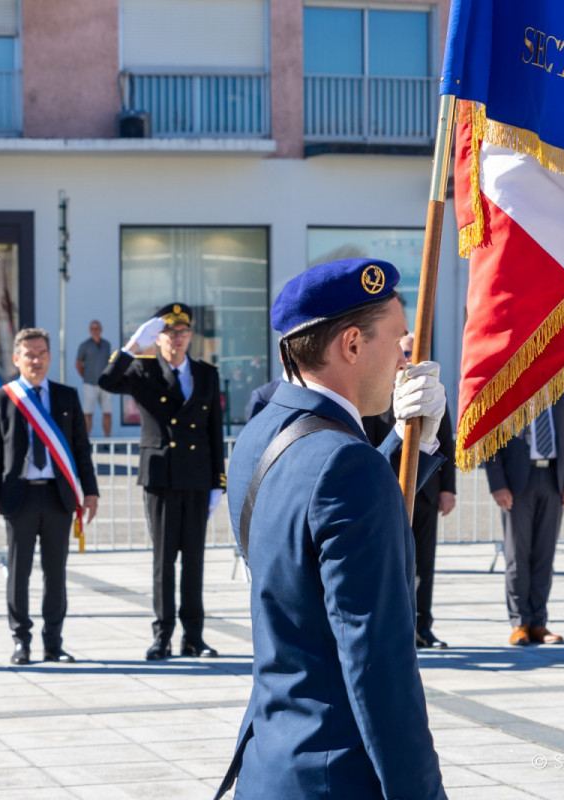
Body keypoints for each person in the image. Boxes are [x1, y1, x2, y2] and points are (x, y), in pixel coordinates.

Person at [215, 258, 448, 800]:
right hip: (336, 773)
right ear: (350, 345)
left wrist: (420, 444)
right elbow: (379, 669)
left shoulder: (259, 434)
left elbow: (324, 507)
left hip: (272, 759)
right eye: (396, 339)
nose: (405, 355)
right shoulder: (346, 464)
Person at [98, 303, 226, 661]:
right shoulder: (142, 369)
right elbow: (106, 381)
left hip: (198, 477)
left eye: (183, 332)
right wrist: (130, 348)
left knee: (195, 562)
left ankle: (194, 637)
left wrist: (219, 480)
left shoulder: (205, 373)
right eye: (170, 332)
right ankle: (163, 635)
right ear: (158, 338)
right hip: (163, 476)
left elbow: (214, 427)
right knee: (164, 561)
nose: (178, 338)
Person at [0, 328, 99, 666]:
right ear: (16, 359)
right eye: (29, 354)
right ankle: (21, 641)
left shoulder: (66, 396)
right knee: (19, 574)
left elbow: (80, 449)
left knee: (56, 573)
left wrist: (90, 491)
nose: (36, 359)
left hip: (58, 497)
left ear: (49, 356)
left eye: (42, 353)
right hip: (19, 498)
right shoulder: (3, 398)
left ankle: (54, 642)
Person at [362, 333, 457, 649]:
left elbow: (446, 441)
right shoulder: (377, 396)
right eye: (405, 351)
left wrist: (448, 490)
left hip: (427, 492)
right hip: (387, 493)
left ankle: (423, 626)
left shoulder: (430, 390)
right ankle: (397, 626)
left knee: (424, 564)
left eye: (416, 353)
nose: (409, 359)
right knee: (393, 563)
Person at [484, 388, 564, 646]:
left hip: (553, 480)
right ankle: (519, 623)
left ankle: (538, 622)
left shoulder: (563, 388)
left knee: (544, 556)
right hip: (518, 483)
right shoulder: (511, 383)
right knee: (517, 556)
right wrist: (497, 483)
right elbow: (493, 436)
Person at [75, 319, 113, 437]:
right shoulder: (85, 345)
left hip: (105, 384)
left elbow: (109, 362)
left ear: (101, 330)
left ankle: (108, 440)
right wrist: (85, 376)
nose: (95, 331)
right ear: (89, 331)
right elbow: (78, 363)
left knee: (107, 412)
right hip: (90, 384)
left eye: (97, 328)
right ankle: (86, 441)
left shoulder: (107, 344)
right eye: (92, 328)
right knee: (88, 413)